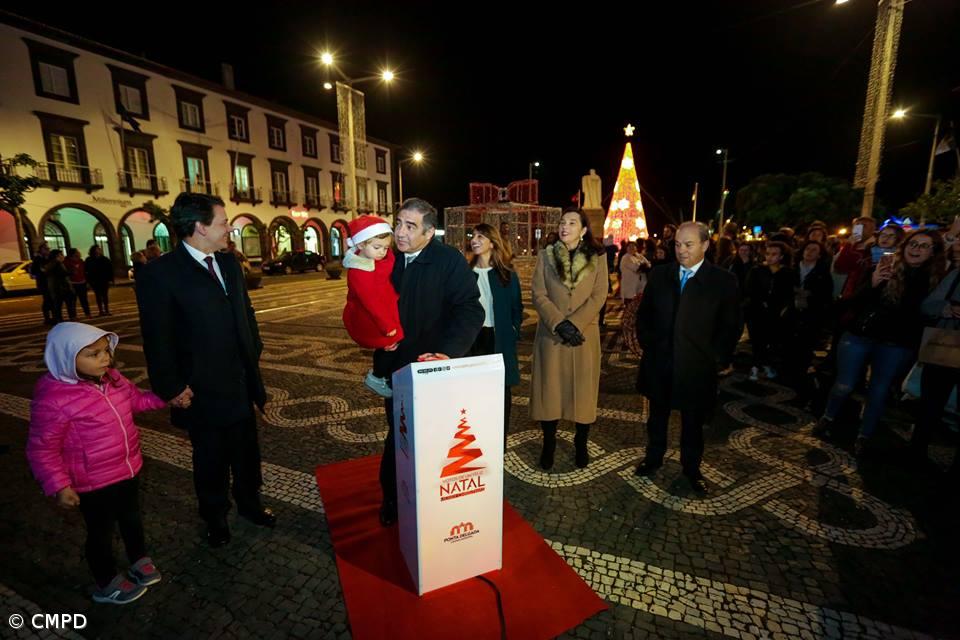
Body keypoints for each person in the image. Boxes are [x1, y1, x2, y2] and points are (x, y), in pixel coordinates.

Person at [135, 192, 274, 547]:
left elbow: (246, 313)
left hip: (240, 380)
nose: (229, 229)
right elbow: (157, 336)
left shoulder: (228, 263)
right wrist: (170, 386)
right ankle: (214, 517)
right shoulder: (160, 274)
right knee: (210, 457)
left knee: (246, 451)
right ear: (199, 227)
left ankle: (249, 503)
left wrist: (253, 349)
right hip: (200, 388)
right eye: (224, 222)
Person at [26, 323, 172, 604]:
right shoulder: (55, 399)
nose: (105, 358)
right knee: (100, 532)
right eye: (93, 354)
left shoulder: (113, 379)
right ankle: (106, 581)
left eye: (106, 351)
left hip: (128, 469)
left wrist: (165, 397)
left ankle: (138, 558)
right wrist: (59, 485)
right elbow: (42, 448)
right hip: (93, 482)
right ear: (67, 359)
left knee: (131, 518)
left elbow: (137, 402)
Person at [378, 198, 484, 526]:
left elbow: (470, 309)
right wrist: (375, 336)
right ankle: (393, 498)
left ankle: (433, 498)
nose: (399, 232)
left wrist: (448, 352)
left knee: (435, 436)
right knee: (399, 434)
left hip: (433, 366)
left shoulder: (449, 261)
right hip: (395, 367)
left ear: (428, 233)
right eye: (398, 223)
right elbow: (364, 303)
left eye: (410, 226)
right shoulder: (383, 258)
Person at [813, 229, 947, 455]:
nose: (916, 249)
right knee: (844, 384)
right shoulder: (884, 268)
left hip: (897, 344)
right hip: (860, 336)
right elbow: (853, 302)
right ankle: (828, 416)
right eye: (913, 244)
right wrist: (872, 284)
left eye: (924, 246)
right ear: (904, 247)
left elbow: (923, 313)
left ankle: (864, 435)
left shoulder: (937, 280)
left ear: (934, 253)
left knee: (878, 390)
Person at [634, 222, 741, 493]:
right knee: (656, 417)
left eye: (688, 244)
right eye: (678, 244)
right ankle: (653, 458)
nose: (681, 250)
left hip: (697, 367)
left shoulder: (723, 281)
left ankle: (691, 469)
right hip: (660, 363)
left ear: (705, 245)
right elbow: (644, 316)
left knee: (693, 423)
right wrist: (651, 345)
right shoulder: (660, 275)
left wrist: (715, 359)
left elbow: (731, 326)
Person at [530, 209, 608, 470]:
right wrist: (559, 323)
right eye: (563, 222)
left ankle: (581, 443)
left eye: (572, 223)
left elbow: (599, 296)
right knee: (549, 392)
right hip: (552, 335)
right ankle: (549, 443)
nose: (565, 226)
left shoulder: (598, 257)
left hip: (583, 335)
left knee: (583, 393)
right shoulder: (546, 254)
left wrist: (574, 324)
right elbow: (538, 294)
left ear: (583, 229)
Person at [467, 223, 523, 440]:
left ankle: (499, 439)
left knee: (501, 391)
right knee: (473, 390)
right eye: (473, 236)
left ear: (492, 242)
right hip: (473, 339)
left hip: (498, 337)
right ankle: (477, 436)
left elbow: (517, 308)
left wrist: (513, 329)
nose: (475, 240)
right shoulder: (465, 273)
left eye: (481, 236)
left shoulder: (506, 275)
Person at [341, 215, 404, 397]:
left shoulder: (378, 258)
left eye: (385, 248)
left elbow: (390, 261)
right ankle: (376, 377)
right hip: (371, 317)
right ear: (360, 245)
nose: (382, 252)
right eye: (377, 247)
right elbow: (370, 302)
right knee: (391, 343)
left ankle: (381, 375)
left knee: (391, 345)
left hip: (385, 309)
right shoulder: (359, 271)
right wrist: (387, 327)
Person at [912, 262, 960, 477]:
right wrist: (947, 308)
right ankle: (916, 453)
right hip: (946, 345)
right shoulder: (957, 274)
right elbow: (927, 306)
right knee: (930, 404)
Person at [745, 241, 795, 380]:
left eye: (774, 254)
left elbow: (787, 293)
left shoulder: (787, 273)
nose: (770, 257)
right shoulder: (757, 270)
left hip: (775, 313)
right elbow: (751, 290)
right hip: (757, 311)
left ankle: (765, 364)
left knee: (770, 339)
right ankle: (755, 366)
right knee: (757, 340)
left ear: (781, 256)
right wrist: (760, 301)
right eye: (768, 254)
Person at [789, 240, 835, 392]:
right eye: (807, 249)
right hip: (792, 311)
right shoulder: (792, 269)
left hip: (811, 314)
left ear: (819, 254)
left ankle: (801, 372)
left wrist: (810, 296)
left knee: (805, 344)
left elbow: (826, 295)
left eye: (814, 250)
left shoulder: (822, 273)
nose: (809, 252)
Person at [45, 249, 75, 324]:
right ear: (57, 256)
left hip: (55, 288)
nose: (63, 256)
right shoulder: (57, 264)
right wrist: (71, 272)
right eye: (61, 255)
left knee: (58, 306)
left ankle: (59, 319)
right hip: (62, 288)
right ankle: (71, 318)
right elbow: (63, 274)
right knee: (69, 304)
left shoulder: (50, 264)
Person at [85, 245, 114, 316]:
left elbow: (110, 269)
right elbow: (87, 271)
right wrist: (88, 281)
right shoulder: (89, 259)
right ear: (93, 250)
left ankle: (107, 310)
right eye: (97, 249)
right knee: (98, 296)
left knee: (105, 295)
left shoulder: (105, 259)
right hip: (95, 280)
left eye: (99, 249)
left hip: (104, 280)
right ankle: (101, 310)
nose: (99, 250)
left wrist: (111, 279)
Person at [64, 248, 92, 319]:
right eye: (77, 252)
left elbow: (86, 272)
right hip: (72, 284)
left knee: (84, 300)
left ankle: (87, 313)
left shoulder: (81, 262)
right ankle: (73, 316)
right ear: (73, 254)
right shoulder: (66, 262)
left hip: (82, 283)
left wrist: (87, 281)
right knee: (72, 301)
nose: (79, 253)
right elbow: (65, 274)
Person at [31, 241, 53, 324]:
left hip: (50, 282)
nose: (48, 250)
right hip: (43, 283)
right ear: (41, 250)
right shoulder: (38, 259)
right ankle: (47, 318)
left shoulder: (47, 258)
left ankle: (53, 317)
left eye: (48, 248)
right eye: (46, 249)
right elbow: (35, 271)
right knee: (47, 300)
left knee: (51, 299)